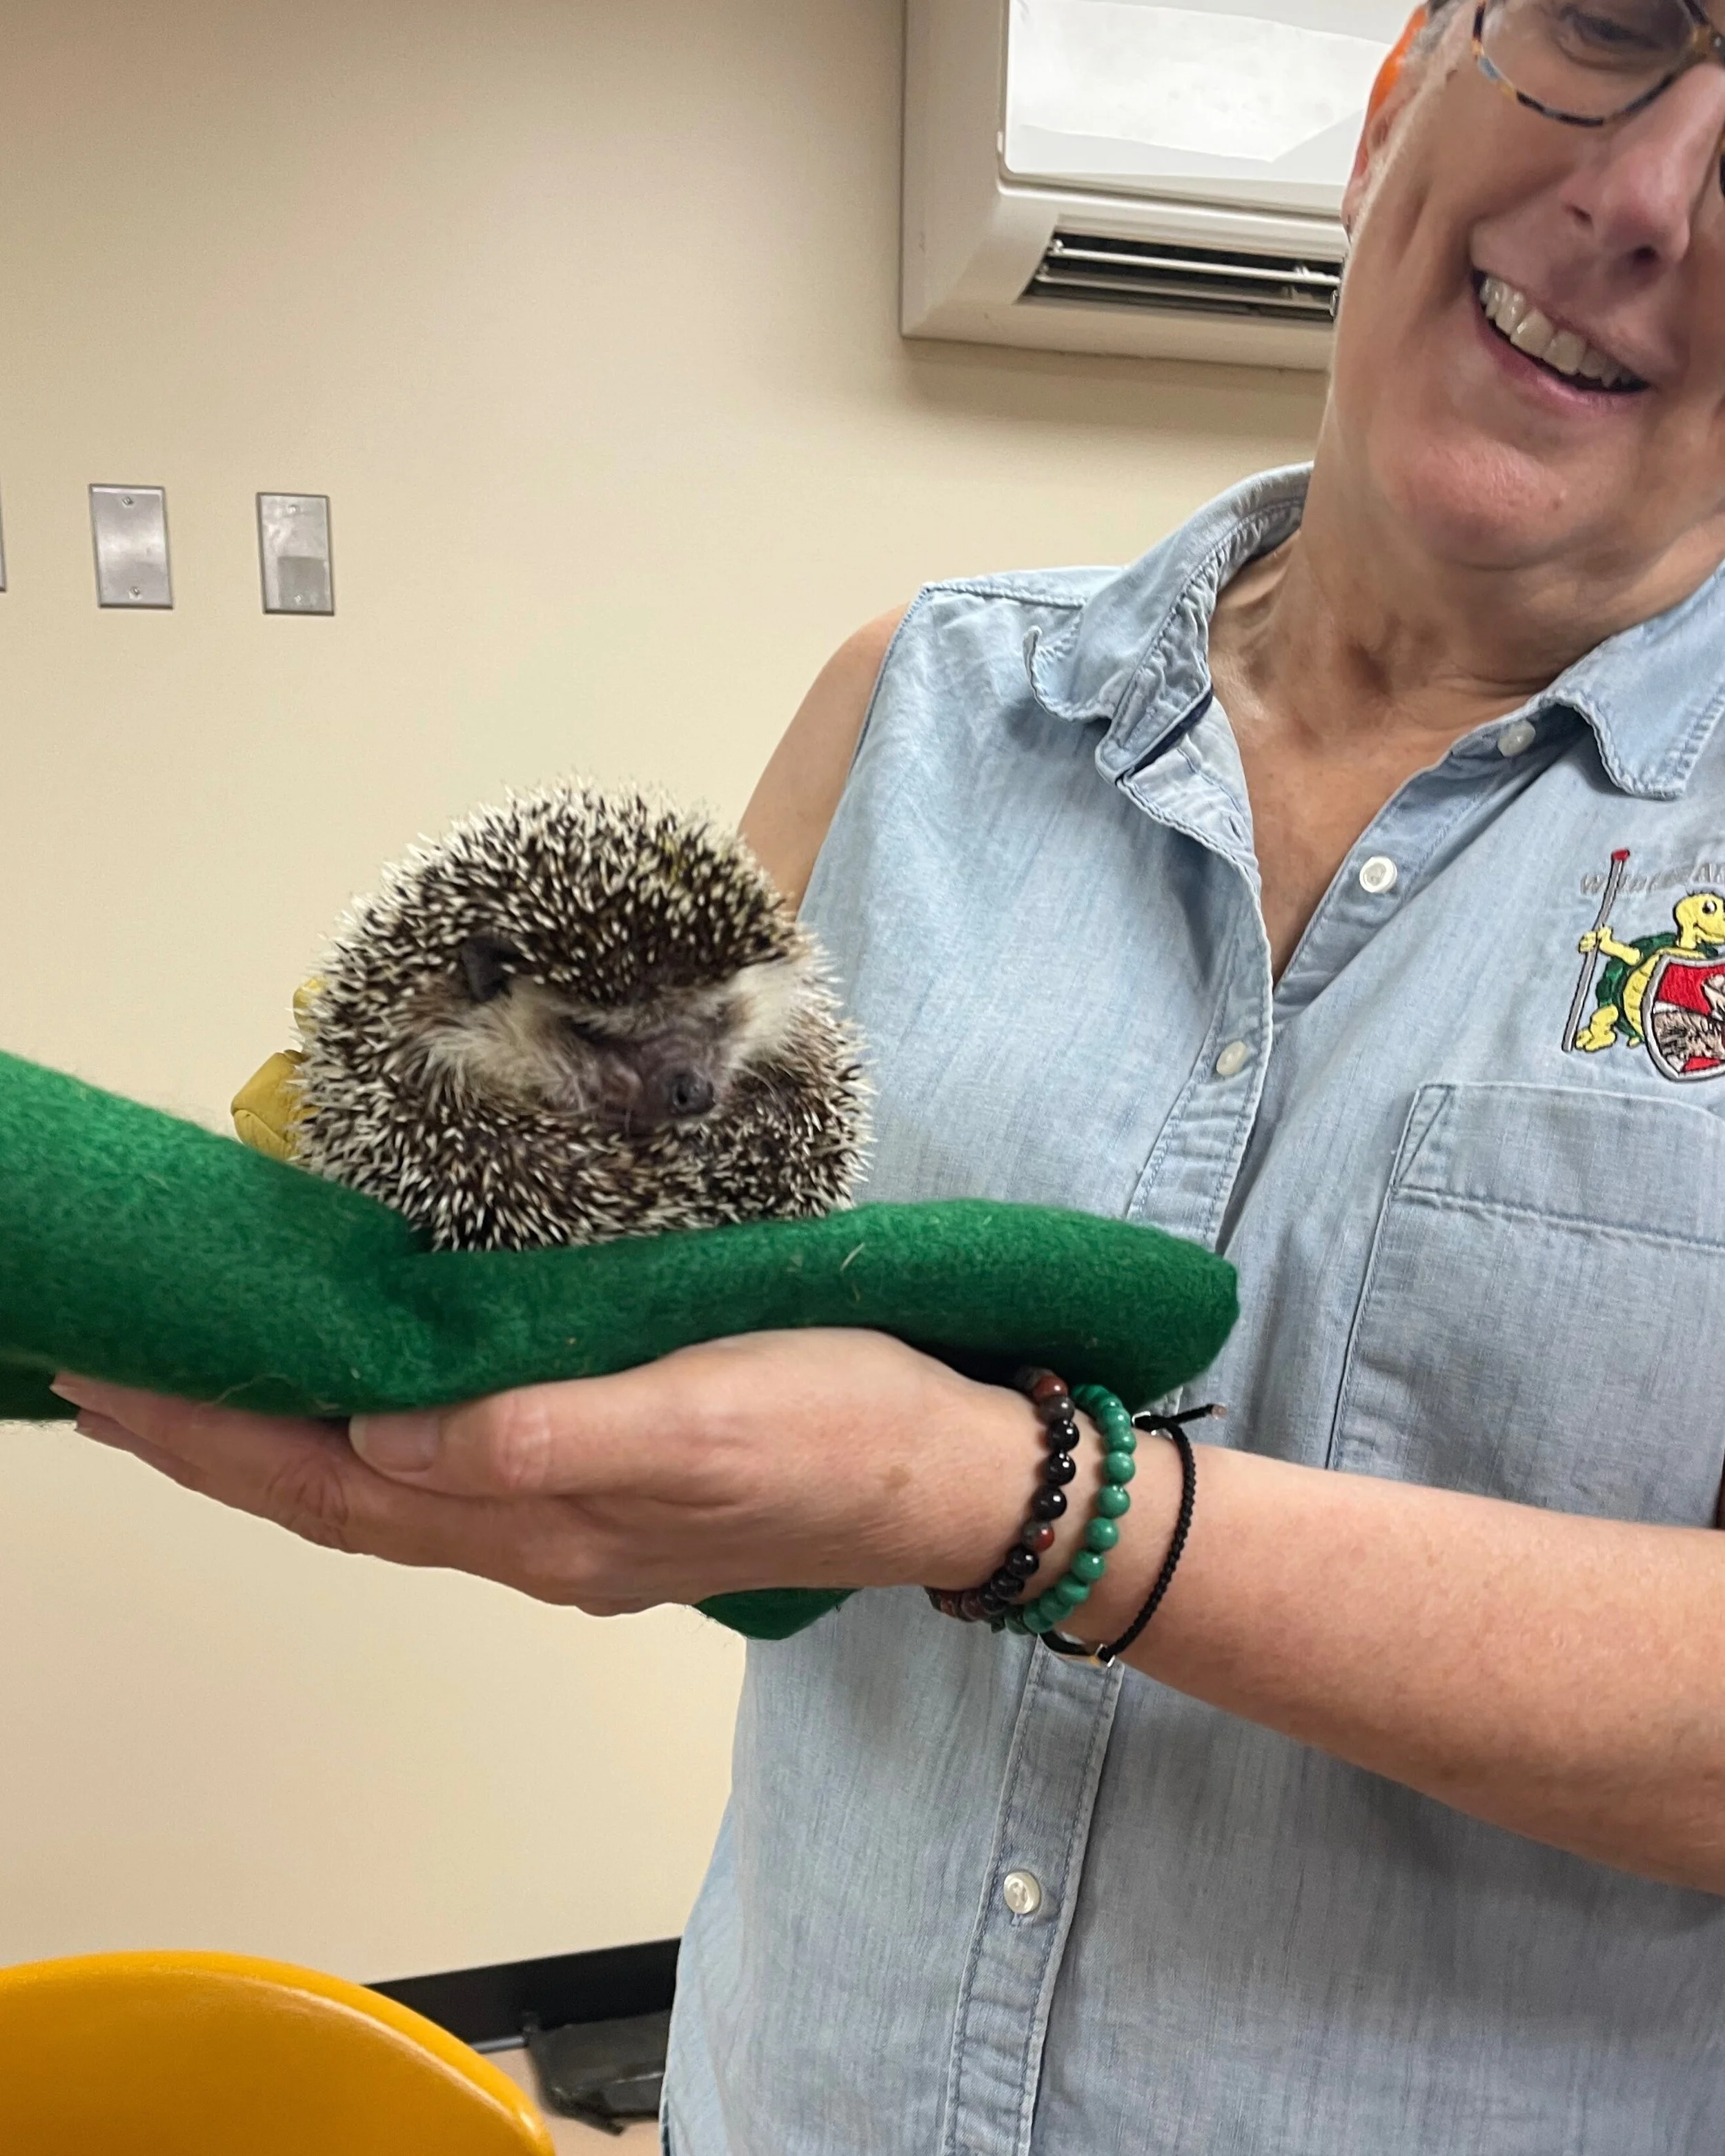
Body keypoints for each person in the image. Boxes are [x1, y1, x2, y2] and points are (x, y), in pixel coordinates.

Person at [50, 3, 1725, 2146]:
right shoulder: (915, 702)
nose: (1643, 198)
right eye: (1610, 22)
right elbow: (631, 1306)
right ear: (1393, 100)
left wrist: (1007, 1502)